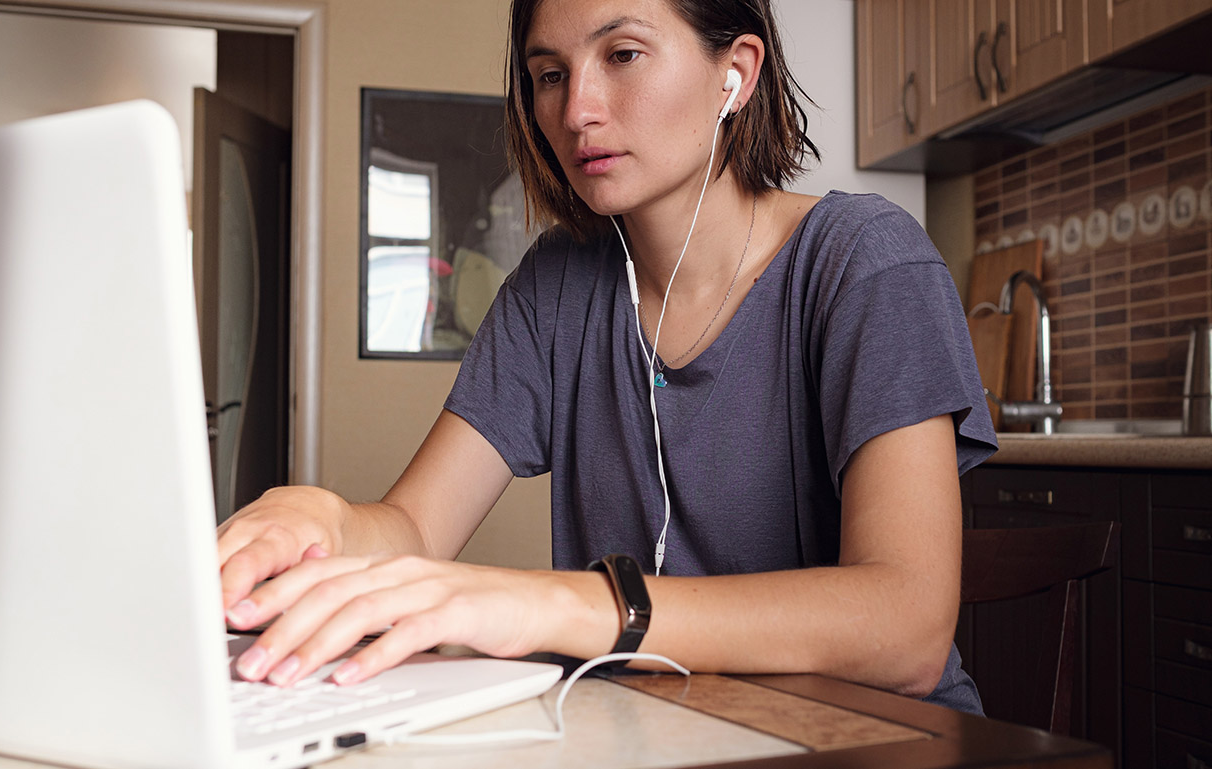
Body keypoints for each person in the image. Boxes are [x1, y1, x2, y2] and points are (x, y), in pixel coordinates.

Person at [216, 0, 997, 713]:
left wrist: (565, 605)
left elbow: (905, 630)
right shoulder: (556, 286)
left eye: (622, 54)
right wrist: (329, 520)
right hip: (651, 734)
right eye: (549, 75)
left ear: (737, 72)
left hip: (870, 741)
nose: (576, 110)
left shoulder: (867, 262)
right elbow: (416, 525)